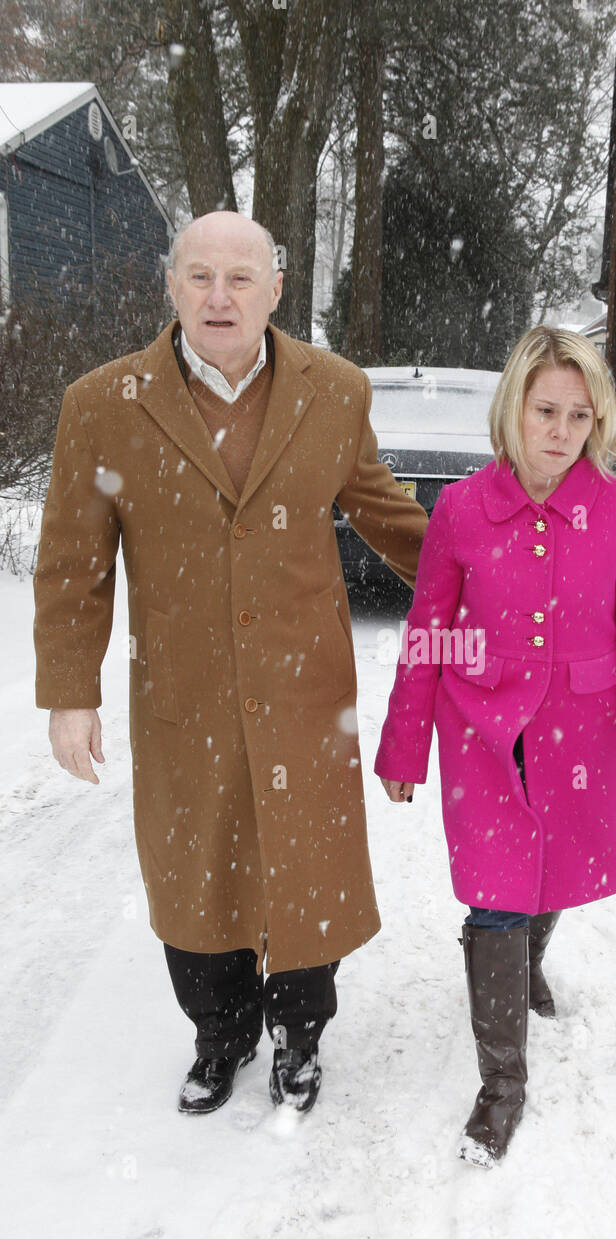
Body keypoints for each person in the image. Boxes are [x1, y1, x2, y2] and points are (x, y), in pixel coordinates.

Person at [33, 211, 428, 1116]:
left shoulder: (332, 391)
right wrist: (70, 692)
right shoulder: (102, 405)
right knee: (194, 872)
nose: (220, 296)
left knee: (305, 869)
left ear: (275, 290)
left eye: (240, 278)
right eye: (200, 276)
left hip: (303, 688)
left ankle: (300, 1036)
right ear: (170, 286)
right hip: (184, 693)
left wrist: (498, 572)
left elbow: (385, 511)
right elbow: (71, 563)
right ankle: (221, 1035)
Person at [375, 325, 616, 1166]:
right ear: (511, 408)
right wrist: (404, 748)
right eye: (544, 409)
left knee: (551, 871)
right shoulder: (461, 509)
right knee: (494, 892)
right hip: (482, 733)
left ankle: (525, 962)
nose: (558, 430)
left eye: (578, 416)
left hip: (584, 731)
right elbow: (428, 633)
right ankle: (501, 1085)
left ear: (598, 422)